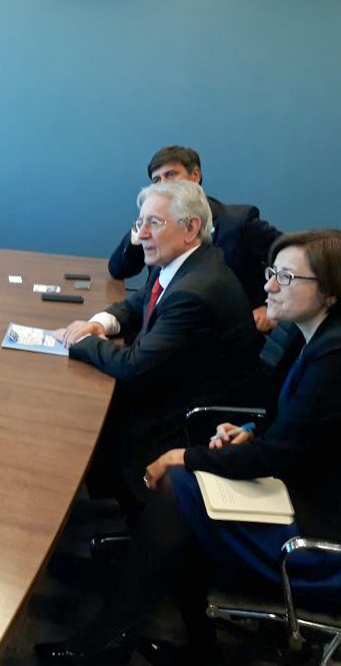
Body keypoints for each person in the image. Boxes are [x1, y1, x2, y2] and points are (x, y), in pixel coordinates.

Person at [37, 229, 341, 665]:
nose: (270, 286)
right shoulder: (309, 336)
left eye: (287, 278)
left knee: (177, 489)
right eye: (272, 272)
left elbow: (282, 455)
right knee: (177, 497)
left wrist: (186, 455)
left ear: (329, 291)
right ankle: (179, 643)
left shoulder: (332, 358)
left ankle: (118, 639)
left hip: (315, 526)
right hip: (294, 484)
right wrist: (249, 431)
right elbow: (296, 428)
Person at [55, 181, 263, 516]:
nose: (141, 235)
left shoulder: (195, 290)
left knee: (74, 413)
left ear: (191, 228)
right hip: (172, 390)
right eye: (140, 223)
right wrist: (101, 323)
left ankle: (92, 508)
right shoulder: (185, 263)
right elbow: (137, 302)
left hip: (181, 420)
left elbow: (133, 365)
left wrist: (80, 341)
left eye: (153, 222)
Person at [108, 145, 281, 332]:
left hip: (222, 331)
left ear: (196, 176)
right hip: (163, 322)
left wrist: (270, 306)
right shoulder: (152, 224)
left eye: (171, 175)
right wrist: (145, 224)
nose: (163, 185)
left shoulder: (237, 222)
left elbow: (293, 259)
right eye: (156, 180)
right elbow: (118, 270)